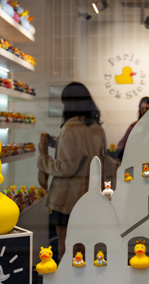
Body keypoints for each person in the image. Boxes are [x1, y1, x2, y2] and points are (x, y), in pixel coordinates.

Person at [37, 82, 118, 260]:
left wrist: (43, 158)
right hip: (90, 197)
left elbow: (66, 167)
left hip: (67, 199)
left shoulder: (69, 128)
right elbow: (91, 156)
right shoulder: (97, 127)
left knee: (66, 248)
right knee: (88, 247)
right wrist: (58, 143)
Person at [116, 96, 149, 160]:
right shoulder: (134, 126)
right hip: (135, 159)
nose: (144, 111)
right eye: (142, 108)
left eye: (147, 108)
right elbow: (122, 143)